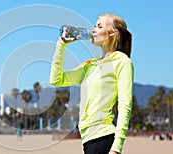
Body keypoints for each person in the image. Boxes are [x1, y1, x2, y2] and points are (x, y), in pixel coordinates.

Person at [50, 14, 134, 154]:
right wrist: (61, 45)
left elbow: (125, 105)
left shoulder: (122, 61)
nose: (94, 30)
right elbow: (57, 79)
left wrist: (116, 148)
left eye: (100, 26)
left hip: (103, 138)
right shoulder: (91, 64)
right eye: (95, 26)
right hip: (88, 140)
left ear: (114, 33)